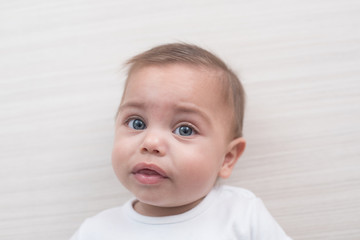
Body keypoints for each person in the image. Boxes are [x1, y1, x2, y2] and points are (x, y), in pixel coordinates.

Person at [70, 43, 292, 239]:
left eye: (184, 130)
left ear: (227, 158)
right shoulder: (96, 231)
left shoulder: (241, 214)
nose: (151, 142)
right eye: (137, 123)